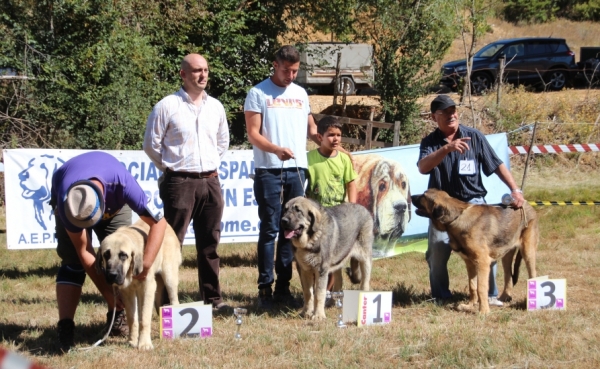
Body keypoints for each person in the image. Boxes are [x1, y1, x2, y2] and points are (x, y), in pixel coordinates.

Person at [52, 151, 167, 354]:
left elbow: (159, 222)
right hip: (70, 201)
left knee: (121, 249)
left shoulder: (123, 185)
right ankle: (65, 328)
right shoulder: (69, 203)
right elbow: (84, 252)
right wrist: (109, 294)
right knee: (72, 262)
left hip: (115, 202)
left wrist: (145, 265)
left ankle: (118, 318)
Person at [417, 94, 525, 306]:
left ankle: (490, 296)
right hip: (443, 208)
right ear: (434, 117)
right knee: (437, 251)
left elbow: (496, 164)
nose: (451, 115)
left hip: (474, 204)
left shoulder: (474, 136)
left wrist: (515, 189)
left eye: (453, 111)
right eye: (445, 113)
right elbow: (423, 167)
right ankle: (441, 296)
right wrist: (446, 149)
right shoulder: (430, 142)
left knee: (484, 250)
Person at [144, 53, 230, 312]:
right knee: (171, 245)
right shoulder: (166, 106)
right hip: (179, 183)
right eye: (196, 71)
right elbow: (151, 145)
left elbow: (222, 142)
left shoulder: (216, 106)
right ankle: (167, 304)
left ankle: (213, 301)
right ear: (183, 74)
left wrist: (209, 166)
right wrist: (171, 168)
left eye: (205, 70)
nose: (202, 75)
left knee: (210, 245)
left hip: (211, 182)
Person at [244, 45, 319, 309]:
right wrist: (276, 150)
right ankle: (265, 285)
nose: (291, 76)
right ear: (275, 65)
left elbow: (311, 128)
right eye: (286, 70)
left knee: (292, 229)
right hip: (269, 170)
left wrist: (322, 138)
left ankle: (284, 287)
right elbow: (253, 134)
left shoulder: (300, 93)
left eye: (295, 71)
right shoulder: (258, 93)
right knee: (270, 228)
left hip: (296, 170)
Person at [306, 115, 357, 305]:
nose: (336, 139)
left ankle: (337, 294)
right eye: (331, 135)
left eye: (339, 135)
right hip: (317, 217)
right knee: (315, 257)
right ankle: (314, 294)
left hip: (339, 216)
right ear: (320, 137)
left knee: (335, 258)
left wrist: (351, 209)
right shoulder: (309, 158)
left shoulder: (343, 159)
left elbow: (351, 184)